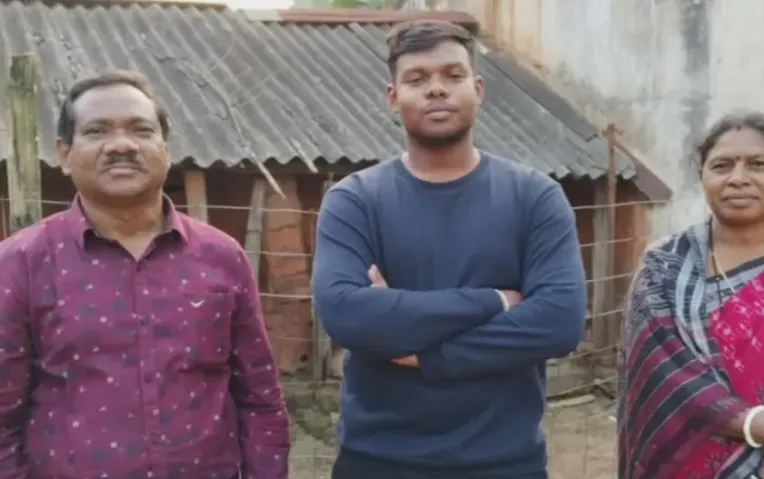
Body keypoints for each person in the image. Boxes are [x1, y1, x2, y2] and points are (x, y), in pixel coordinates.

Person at [311, 19, 587, 479]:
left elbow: (558, 321)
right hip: (378, 459)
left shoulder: (534, 197)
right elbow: (344, 314)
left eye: (452, 75)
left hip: (503, 460)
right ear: (393, 97)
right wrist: (495, 301)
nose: (436, 90)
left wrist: (427, 353)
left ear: (477, 89)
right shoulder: (354, 200)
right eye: (417, 79)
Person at [0, 71, 290, 479]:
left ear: (165, 149)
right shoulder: (19, 263)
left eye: (141, 129)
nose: (122, 144)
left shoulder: (222, 257)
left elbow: (260, 401)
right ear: (64, 153)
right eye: (97, 131)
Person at [617, 111, 764, 479]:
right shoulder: (665, 267)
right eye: (722, 166)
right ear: (703, 177)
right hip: (684, 463)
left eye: (758, 165)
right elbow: (669, 379)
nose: (738, 179)